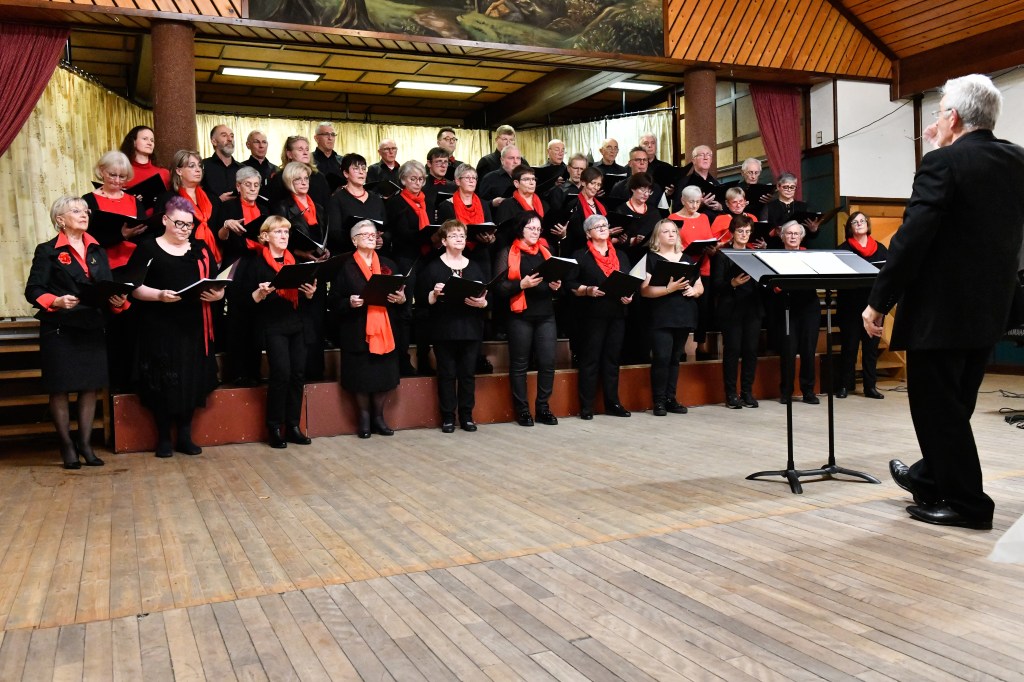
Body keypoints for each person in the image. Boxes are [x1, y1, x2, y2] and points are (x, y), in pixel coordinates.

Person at [863, 74, 1024, 530]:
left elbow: (912, 239)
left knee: (937, 409)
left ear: (952, 117)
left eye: (938, 113)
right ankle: (928, 478)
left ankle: (969, 505)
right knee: (955, 405)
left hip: (940, 313)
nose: (935, 121)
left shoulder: (942, 163)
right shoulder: (1018, 160)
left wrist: (879, 302)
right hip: (991, 309)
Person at [25, 196, 128, 469]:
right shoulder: (47, 251)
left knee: (90, 387)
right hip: (60, 328)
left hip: (91, 325)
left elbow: (106, 287)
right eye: (76, 211)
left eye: (85, 211)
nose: (84, 215)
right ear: (60, 219)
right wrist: (56, 301)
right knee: (60, 389)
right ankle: (67, 446)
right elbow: (33, 290)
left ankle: (85, 444)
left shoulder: (97, 249)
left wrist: (117, 300)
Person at [126, 196, 224, 458]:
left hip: (193, 325)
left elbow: (216, 283)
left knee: (190, 379)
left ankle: (184, 436)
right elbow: (134, 287)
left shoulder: (200, 248)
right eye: (179, 223)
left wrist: (218, 295)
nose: (184, 229)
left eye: (189, 225)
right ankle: (163, 439)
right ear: (165, 220)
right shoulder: (148, 247)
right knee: (162, 382)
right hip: (159, 325)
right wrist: (159, 295)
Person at [239, 215, 316, 448]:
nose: (284, 236)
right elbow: (244, 301)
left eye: (286, 232)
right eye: (278, 232)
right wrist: (260, 294)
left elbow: (306, 297)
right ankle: (274, 427)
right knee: (281, 374)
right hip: (273, 325)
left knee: (298, 374)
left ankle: (293, 426)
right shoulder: (254, 264)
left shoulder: (295, 262)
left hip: (297, 324)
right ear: (265, 236)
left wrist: (309, 294)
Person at [328, 219, 406, 438]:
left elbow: (402, 294)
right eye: (365, 234)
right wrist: (349, 302)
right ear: (354, 240)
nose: (372, 237)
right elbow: (333, 300)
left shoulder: (389, 264)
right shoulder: (344, 266)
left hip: (385, 327)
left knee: (384, 376)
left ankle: (379, 418)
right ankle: (363, 418)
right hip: (357, 328)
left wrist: (401, 299)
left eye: (374, 234)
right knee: (361, 376)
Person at [416, 220, 489, 432]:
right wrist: (433, 294)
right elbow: (421, 299)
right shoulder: (433, 267)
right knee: (447, 374)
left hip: (470, 328)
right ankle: (448, 416)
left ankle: (466, 416)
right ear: (444, 241)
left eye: (462, 235)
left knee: (467, 374)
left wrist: (483, 303)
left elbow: (487, 296)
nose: (459, 239)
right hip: (444, 328)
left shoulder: (474, 266)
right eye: (454, 235)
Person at [494, 211, 563, 427]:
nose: (535, 232)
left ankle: (543, 408)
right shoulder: (508, 251)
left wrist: (556, 286)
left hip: (545, 314)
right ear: (520, 229)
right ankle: (522, 410)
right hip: (520, 315)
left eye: (538, 229)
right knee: (520, 364)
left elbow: (553, 280)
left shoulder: (546, 251)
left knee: (547, 362)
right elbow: (499, 287)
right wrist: (520, 285)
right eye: (531, 228)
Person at [565, 214, 634, 419]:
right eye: (597, 226)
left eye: (605, 225)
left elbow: (629, 280)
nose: (603, 228)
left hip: (617, 313)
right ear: (588, 233)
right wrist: (587, 290)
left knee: (612, 359)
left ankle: (613, 403)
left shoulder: (621, 255)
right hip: (591, 315)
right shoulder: (581, 255)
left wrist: (629, 295)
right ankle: (587, 406)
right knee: (590, 360)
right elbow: (570, 284)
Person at [273, 161, 331, 381]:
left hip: (317, 267)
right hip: (296, 266)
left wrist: (325, 251)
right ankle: (302, 371)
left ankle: (317, 370)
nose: (303, 182)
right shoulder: (283, 206)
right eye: (298, 179)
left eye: (306, 179)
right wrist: (304, 254)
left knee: (317, 318)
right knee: (303, 320)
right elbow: (280, 240)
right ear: (289, 182)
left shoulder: (319, 207)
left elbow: (323, 235)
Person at [641, 219, 703, 415]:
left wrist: (695, 291)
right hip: (661, 315)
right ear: (657, 236)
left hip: (683, 313)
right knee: (662, 357)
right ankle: (659, 400)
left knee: (676, 358)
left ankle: (670, 398)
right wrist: (670, 288)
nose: (671, 234)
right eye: (666, 231)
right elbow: (645, 290)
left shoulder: (687, 258)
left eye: (674, 231)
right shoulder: (651, 259)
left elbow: (699, 285)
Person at [216, 166, 270, 387]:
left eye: (256, 185)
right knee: (237, 318)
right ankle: (237, 372)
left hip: (259, 264)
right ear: (238, 187)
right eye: (248, 185)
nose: (253, 189)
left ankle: (254, 372)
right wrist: (226, 226)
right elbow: (219, 237)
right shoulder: (227, 207)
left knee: (257, 318)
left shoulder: (265, 208)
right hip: (237, 264)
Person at [711, 214, 764, 408]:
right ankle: (731, 394)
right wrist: (732, 283)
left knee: (751, 351)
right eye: (740, 231)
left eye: (747, 231)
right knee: (732, 351)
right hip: (731, 309)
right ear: (732, 232)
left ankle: (747, 392)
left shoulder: (754, 254)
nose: (744, 235)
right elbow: (716, 285)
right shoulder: (722, 255)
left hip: (752, 308)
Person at [836, 212, 888, 400]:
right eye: (854, 222)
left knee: (870, 349)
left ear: (868, 224)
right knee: (849, 347)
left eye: (862, 221)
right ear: (850, 227)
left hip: (873, 306)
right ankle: (844, 385)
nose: (859, 224)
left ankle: (870, 387)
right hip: (850, 306)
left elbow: (887, 279)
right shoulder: (842, 250)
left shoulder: (880, 249)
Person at [774, 220, 820, 405]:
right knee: (788, 350)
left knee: (808, 350)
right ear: (782, 236)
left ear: (802, 237)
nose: (793, 237)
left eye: (796, 234)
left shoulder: (810, 256)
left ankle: (808, 391)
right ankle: (786, 391)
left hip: (809, 307)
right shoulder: (774, 256)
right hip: (787, 307)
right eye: (789, 233)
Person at [82, 150, 147, 269]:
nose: (117, 181)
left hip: (135, 262)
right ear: (101, 171)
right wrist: (121, 235)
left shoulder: (134, 201)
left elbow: (145, 232)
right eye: (112, 175)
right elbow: (86, 236)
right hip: (102, 265)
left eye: (122, 177)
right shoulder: (88, 200)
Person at [166, 149, 223, 265]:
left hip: (213, 259)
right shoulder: (168, 199)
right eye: (192, 166)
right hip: (181, 260)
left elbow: (219, 232)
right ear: (179, 171)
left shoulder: (213, 199)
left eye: (200, 166)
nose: (198, 170)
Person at [327, 152, 386, 254]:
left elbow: (386, 228)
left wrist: (382, 239)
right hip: (349, 254)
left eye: (363, 168)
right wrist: (360, 240)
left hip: (375, 254)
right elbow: (334, 233)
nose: (361, 172)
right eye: (356, 169)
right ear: (346, 173)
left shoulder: (376, 199)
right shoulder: (337, 199)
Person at [267, 135, 331, 208]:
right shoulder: (280, 178)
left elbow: (327, 205)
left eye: (307, 149)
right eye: (300, 150)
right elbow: (275, 206)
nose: (305, 153)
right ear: (289, 154)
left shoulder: (319, 177)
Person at [762, 172, 821, 245]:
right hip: (776, 247)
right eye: (785, 187)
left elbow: (810, 236)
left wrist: (813, 230)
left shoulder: (803, 206)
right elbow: (763, 232)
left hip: (799, 247)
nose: (789, 190)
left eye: (792, 187)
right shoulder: (768, 207)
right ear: (778, 187)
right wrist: (775, 232)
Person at [119, 125, 170, 194]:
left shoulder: (164, 173)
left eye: (152, 140)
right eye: (145, 139)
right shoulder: (121, 172)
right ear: (134, 142)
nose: (150, 143)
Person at [672, 145, 721, 213]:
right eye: (701, 155)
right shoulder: (683, 182)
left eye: (708, 155)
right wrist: (699, 204)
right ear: (693, 160)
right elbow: (676, 209)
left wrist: (720, 207)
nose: (705, 158)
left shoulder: (716, 184)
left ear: (711, 160)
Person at [202, 125, 241, 206]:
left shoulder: (243, 169)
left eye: (232, 136)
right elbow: (195, 196)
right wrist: (218, 200)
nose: (230, 139)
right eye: (224, 135)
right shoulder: (202, 166)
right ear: (214, 142)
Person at [477, 145, 522, 210]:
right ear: (502, 160)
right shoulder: (490, 178)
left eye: (518, 158)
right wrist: (492, 203)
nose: (516, 161)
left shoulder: (525, 177)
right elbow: (480, 204)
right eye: (511, 158)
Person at [423, 146, 457, 221]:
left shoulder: (454, 187)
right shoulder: (421, 185)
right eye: (439, 161)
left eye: (446, 162)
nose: (443, 165)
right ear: (429, 163)